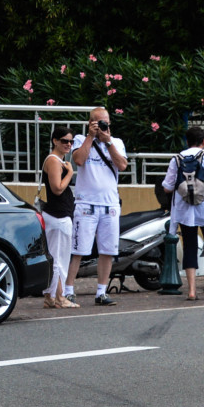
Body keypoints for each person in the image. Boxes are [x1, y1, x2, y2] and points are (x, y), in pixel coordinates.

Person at [65, 106, 128, 306]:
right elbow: (79, 160)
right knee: (78, 250)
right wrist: (90, 137)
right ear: (90, 123)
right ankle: (68, 290)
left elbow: (122, 165)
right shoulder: (79, 140)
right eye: (98, 122)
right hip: (86, 203)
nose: (103, 126)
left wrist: (107, 141)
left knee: (107, 251)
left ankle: (101, 292)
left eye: (105, 123)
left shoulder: (116, 142)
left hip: (109, 204)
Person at [161, 126, 204, 300]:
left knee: (190, 246)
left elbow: (167, 187)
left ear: (187, 141)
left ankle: (191, 290)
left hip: (185, 210)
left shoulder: (176, 159)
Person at [40, 126, 78, 309]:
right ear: (55, 141)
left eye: (70, 141)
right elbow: (57, 188)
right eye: (64, 141)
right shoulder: (54, 161)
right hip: (58, 216)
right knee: (59, 259)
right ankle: (59, 297)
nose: (68, 144)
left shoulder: (56, 160)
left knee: (56, 258)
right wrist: (70, 173)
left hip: (58, 215)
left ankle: (51, 296)